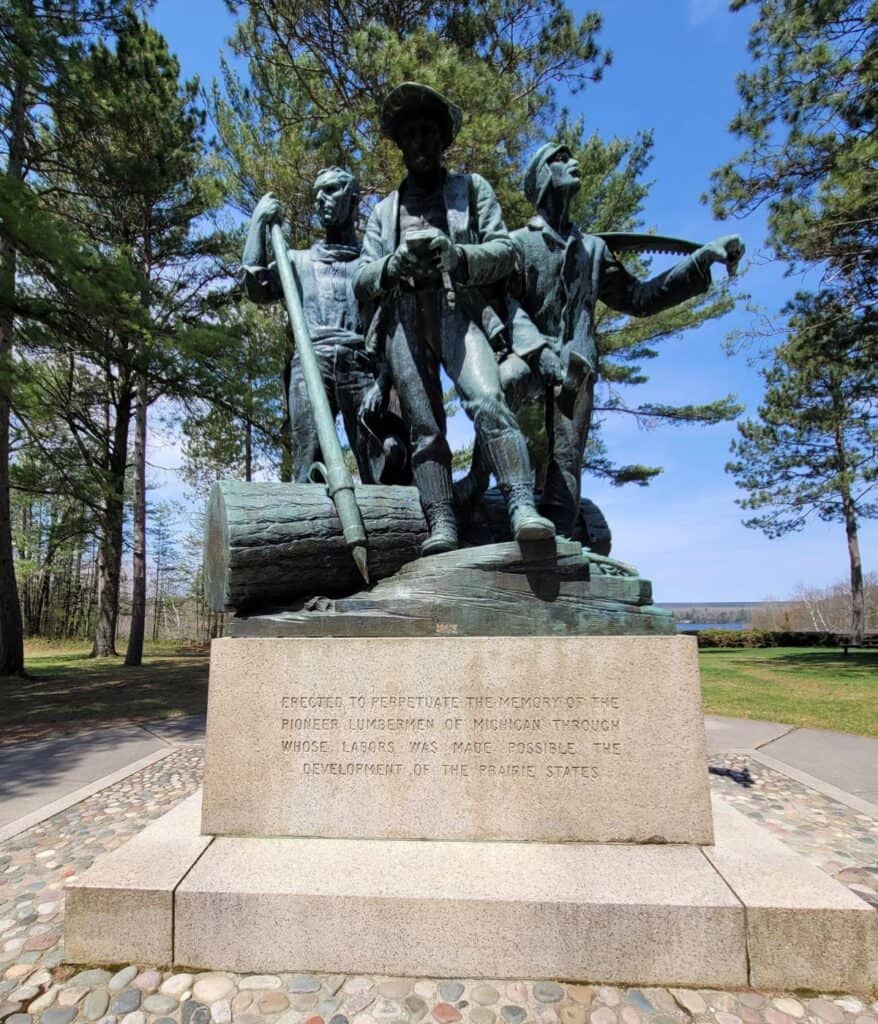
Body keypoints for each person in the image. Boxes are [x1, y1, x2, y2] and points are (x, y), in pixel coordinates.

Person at [496, 142, 745, 537]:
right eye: (560, 160)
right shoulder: (518, 244)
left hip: (577, 366)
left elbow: (639, 298)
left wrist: (700, 261)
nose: (573, 162)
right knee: (501, 389)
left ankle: (558, 553)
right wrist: (538, 352)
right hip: (530, 356)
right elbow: (505, 305)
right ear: (542, 178)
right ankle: (486, 489)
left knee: (566, 462)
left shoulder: (593, 249)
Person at [353, 82, 555, 555]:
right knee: (425, 427)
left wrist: (457, 256)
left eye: (427, 132)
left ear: (443, 139)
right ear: (400, 145)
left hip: (456, 312)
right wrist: (393, 265)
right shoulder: (384, 212)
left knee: (487, 399)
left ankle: (521, 505)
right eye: (409, 135)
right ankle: (441, 522)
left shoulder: (471, 189)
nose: (419, 143)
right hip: (404, 321)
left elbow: (507, 251)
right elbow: (361, 278)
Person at [241, 167, 407, 484]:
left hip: (361, 364)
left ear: (354, 199)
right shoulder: (297, 261)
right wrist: (259, 221)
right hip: (310, 362)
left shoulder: (369, 266)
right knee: (308, 460)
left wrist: (384, 381)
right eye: (317, 194)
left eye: (330, 190)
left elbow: (391, 329)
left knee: (385, 458)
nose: (320, 200)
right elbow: (254, 285)